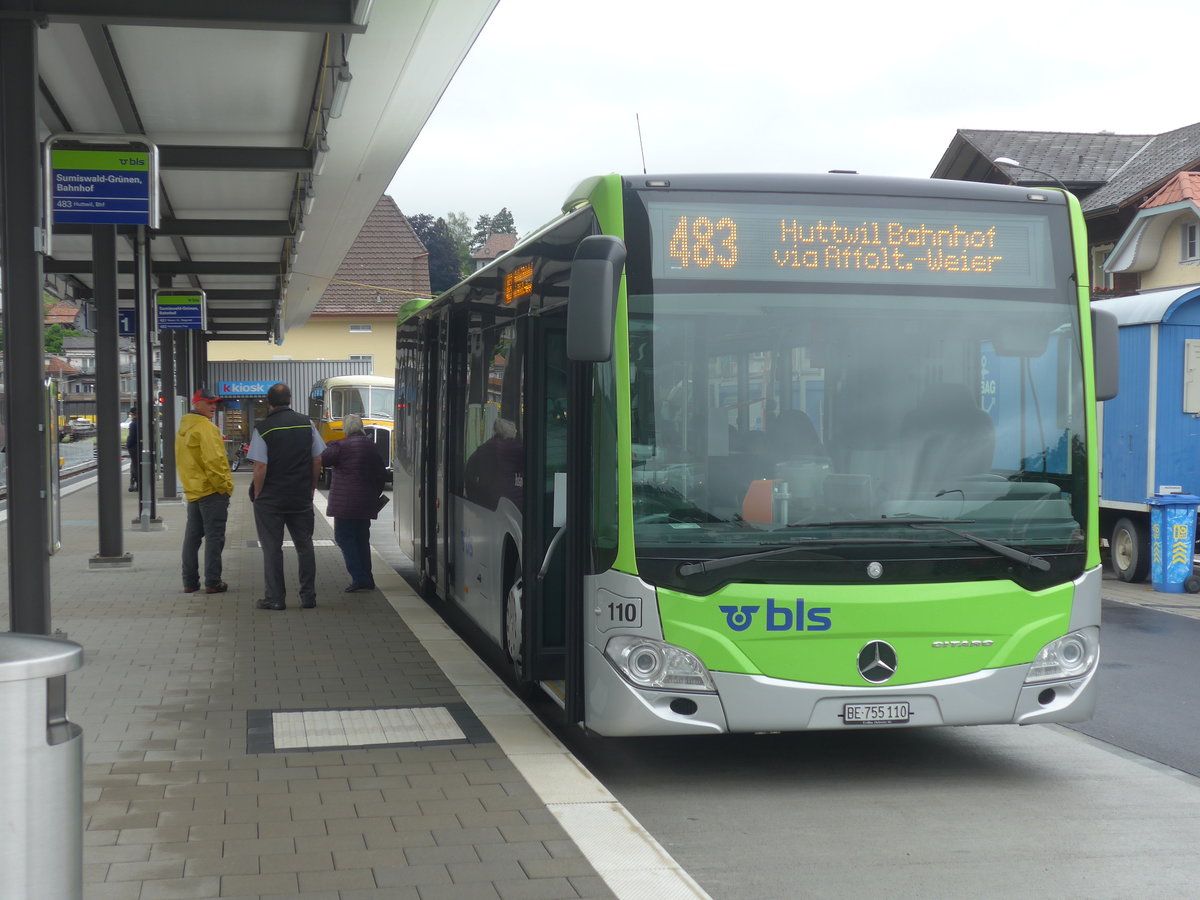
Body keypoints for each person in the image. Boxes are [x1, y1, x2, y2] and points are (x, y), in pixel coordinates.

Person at [248, 382, 325, 611]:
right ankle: (308, 597)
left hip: (271, 499)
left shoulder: (263, 428)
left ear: (268, 402)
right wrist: (311, 487)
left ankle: (275, 599)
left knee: (272, 548)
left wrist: (259, 494)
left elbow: (260, 467)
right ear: (290, 400)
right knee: (305, 545)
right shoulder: (307, 423)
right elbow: (317, 460)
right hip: (300, 496)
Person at [175, 389, 234, 594]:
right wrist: (225, 487)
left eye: (214, 403)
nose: (213, 406)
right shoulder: (206, 428)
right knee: (214, 537)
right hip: (211, 491)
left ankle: (189, 582)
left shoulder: (183, 429)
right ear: (197, 404)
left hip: (193, 490)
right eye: (209, 403)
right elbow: (214, 461)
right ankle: (213, 582)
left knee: (192, 538)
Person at [320, 413, 387, 592]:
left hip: (345, 506)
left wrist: (331, 443)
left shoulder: (341, 446)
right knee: (362, 539)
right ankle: (368, 577)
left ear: (346, 429)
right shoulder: (371, 447)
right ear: (361, 427)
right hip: (365, 503)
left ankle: (359, 578)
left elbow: (323, 458)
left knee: (344, 538)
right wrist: (375, 495)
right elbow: (381, 474)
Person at [126, 406, 141, 492]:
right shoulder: (142, 423)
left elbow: (131, 437)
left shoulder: (133, 424)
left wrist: (128, 445)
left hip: (134, 448)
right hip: (140, 447)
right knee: (137, 466)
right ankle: (135, 484)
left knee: (135, 467)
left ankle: (136, 484)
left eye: (131, 415)